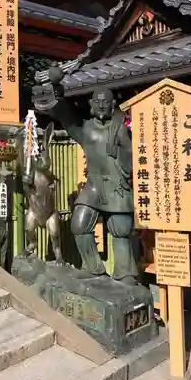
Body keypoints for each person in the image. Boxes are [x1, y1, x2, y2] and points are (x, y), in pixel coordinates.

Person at [32, 67, 138, 285]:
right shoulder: (86, 129)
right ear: (91, 106)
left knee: (120, 229)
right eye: (97, 102)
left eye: (105, 102)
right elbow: (67, 118)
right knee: (79, 224)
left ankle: (125, 274)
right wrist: (56, 93)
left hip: (116, 187)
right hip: (93, 187)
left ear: (112, 105)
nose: (101, 105)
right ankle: (93, 267)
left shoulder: (120, 130)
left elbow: (130, 157)